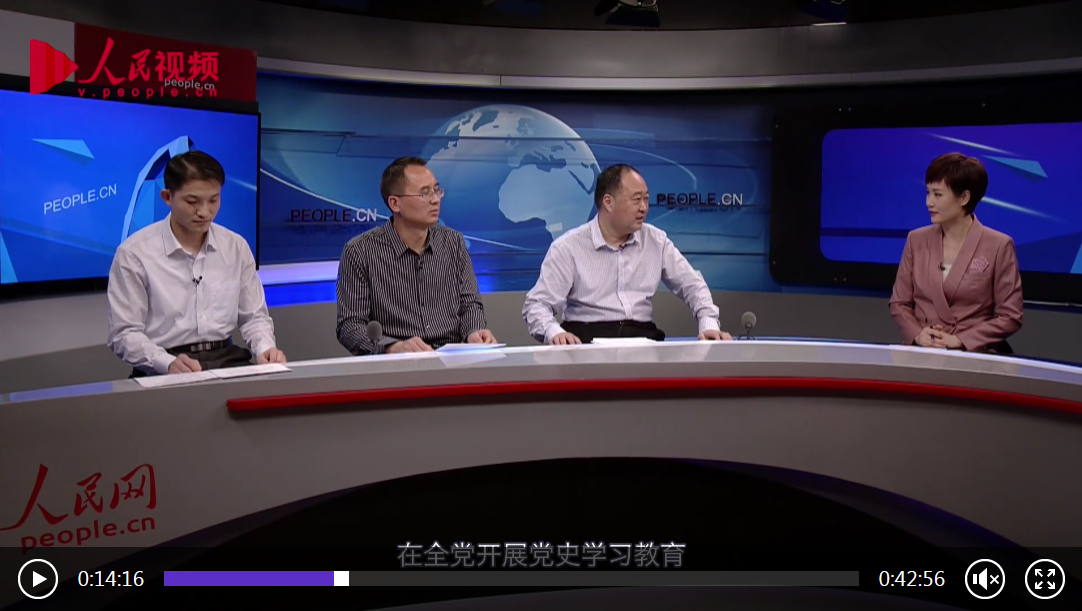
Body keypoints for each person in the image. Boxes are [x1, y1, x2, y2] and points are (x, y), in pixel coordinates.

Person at [107, 150, 286, 376]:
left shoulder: (236, 247)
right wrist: (165, 362)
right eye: (192, 202)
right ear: (167, 197)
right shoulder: (134, 254)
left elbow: (254, 317)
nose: (204, 212)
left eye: (213, 200)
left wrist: (265, 348)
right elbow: (124, 333)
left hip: (227, 359)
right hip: (164, 365)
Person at [523, 163, 732, 344]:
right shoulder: (568, 248)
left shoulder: (656, 241)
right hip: (586, 340)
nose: (644, 208)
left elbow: (692, 285)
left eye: (646, 199)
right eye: (636, 199)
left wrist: (708, 323)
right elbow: (537, 305)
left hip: (642, 339)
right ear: (608, 202)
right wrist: (555, 332)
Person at [336, 156, 498, 354]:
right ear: (395, 203)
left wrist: (474, 331)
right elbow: (350, 326)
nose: (435, 199)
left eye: (436, 190)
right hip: (397, 364)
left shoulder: (453, 242)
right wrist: (393, 347)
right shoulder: (360, 252)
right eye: (424, 193)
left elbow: (470, 304)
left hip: (452, 360)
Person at [889, 153, 1023, 353]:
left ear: (964, 198)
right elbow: (899, 302)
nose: (929, 202)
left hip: (973, 355)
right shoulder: (916, 240)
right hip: (922, 352)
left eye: (938, 194)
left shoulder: (999, 246)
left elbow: (1010, 316)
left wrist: (960, 340)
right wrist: (918, 334)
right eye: (928, 193)